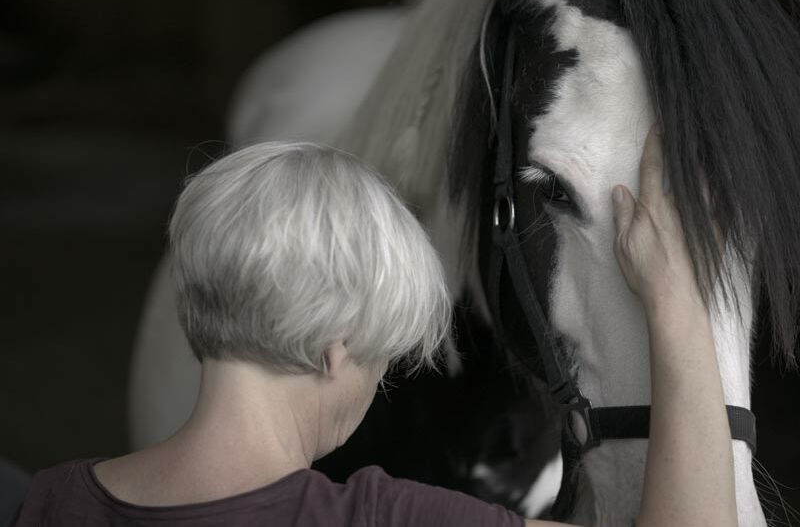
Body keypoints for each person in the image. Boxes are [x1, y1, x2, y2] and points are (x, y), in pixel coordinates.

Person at [12, 130, 735, 527]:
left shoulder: (44, 502)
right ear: (334, 348)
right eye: (380, 357)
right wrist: (679, 299)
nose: (377, 383)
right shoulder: (385, 517)